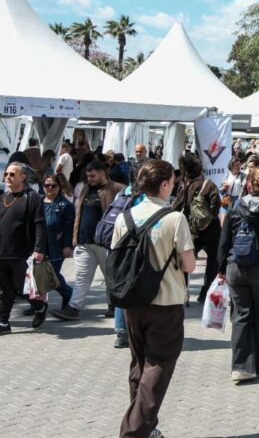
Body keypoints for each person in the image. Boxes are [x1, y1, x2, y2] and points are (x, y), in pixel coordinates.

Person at [113, 159, 196, 437]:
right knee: (159, 364)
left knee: (139, 364)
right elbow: (189, 265)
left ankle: (147, 427)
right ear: (163, 185)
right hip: (165, 302)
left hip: (132, 301)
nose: (173, 186)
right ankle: (134, 431)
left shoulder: (124, 217)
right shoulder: (175, 218)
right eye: (172, 182)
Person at [217, 167, 259, 382]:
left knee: (240, 315)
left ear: (249, 185)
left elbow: (224, 239)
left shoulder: (237, 206)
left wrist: (220, 269)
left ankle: (240, 366)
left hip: (236, 266)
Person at [66, 159, 124, 319]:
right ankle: (73, 308)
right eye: (88, 176)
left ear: (102, 173)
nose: (89, 179)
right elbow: (78, 214)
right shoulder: (85, 189)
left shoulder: (117, 189)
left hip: (106, 242)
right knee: (81, 277)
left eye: (92, 176)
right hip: (84, 242)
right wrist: (74, 238)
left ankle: (114, 305)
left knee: (110, 276)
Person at [0, 162, 48, 333]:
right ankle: (4, 323)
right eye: (7, 174)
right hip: (2, 253)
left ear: (23, 176)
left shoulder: (32, 197)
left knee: (25, 290)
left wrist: (39, 250)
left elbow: (40, 225)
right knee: (7, 289)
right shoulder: (2, 197)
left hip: (23, 253)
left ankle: (40, 307)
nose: (8, 177)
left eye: (12, 174)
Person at [173, 152, 221, 303]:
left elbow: (175, 207)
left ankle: (184, 292)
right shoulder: (210, 185)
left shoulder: (186, 188)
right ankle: (204, 294)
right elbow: (216, 206)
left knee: (185, 262)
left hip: (192, 231)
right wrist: (206, 216)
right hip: (212, 230)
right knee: (213, 262)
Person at [40, 173, 75, 316]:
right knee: (39, 274)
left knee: (51, 275)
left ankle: (68, 294)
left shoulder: (65, 205)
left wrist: (67, 246)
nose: (49, 188)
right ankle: (38, 303)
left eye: (53, 185)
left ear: (59, 187)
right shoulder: (38, 202)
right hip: (39, 245)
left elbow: (69, 227)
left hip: (56, 246)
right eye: (46, 185)